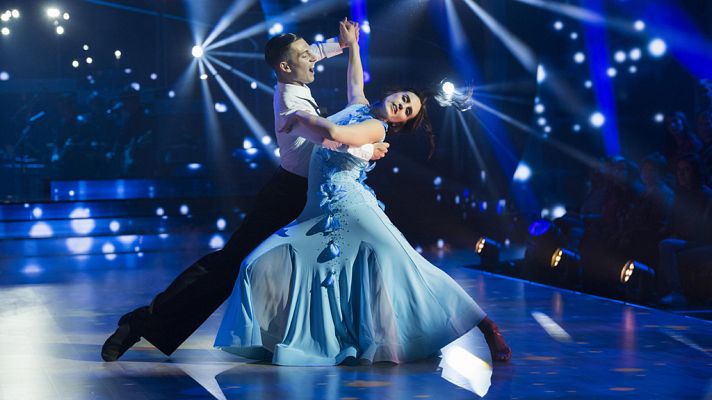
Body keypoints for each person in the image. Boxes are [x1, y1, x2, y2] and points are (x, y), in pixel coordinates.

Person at [214, 22, 511, 366]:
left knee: (409, 266)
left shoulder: (374, 126)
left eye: (407, 111)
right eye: (403, 99)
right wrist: (352, 46)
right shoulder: (361, 105)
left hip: (351, 206)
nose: (401, 107)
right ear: (393, 92)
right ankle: (292, 337)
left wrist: (301, 118)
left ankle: (485, 325)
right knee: (256, 264)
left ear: (398, 123)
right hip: (318, 208)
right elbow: (355, 83)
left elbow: (337, 132)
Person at [101, 20, 388, 362]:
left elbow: (310, 55)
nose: (312, 59)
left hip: (314, 192)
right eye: (304, 56)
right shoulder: (291, 104)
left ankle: (330, 341)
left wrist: (340, 45)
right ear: (285, 67)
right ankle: (142, 323)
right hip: (288, 195)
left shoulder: (292, 74)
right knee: (229, 267)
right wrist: (368, 149)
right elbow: (329, 139)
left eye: (311, 53)